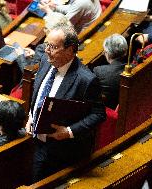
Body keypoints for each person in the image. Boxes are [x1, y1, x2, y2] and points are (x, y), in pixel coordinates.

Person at [25, 24, 106, 181]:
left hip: (63, 153)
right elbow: (38, 93)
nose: (47, 50)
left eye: (53, 47)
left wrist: (69, 131)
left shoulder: (86, 79)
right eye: (47, 44)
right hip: (37, 142)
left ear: (70, 50)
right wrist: (31, 115)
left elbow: (99, 114)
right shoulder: (46, 61)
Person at [93, 34, 127, 110]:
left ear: (107, 53)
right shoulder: (134, 67)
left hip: (108, 111)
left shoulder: (99, 71)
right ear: (125, 51)